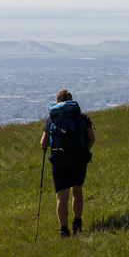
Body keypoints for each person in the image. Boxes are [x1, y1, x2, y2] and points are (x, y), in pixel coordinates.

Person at [40, 89, 96, 237]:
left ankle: (64, 231)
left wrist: (47, 147)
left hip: (59, 162)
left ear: (57, 102)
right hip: (78, 160)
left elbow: (43, 143)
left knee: (61, 197)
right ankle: (77, 224)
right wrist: (85, 150)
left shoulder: (52, 118)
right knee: (77, 192)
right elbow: (92, 138)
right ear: (71, 100)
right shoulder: (82, 116)